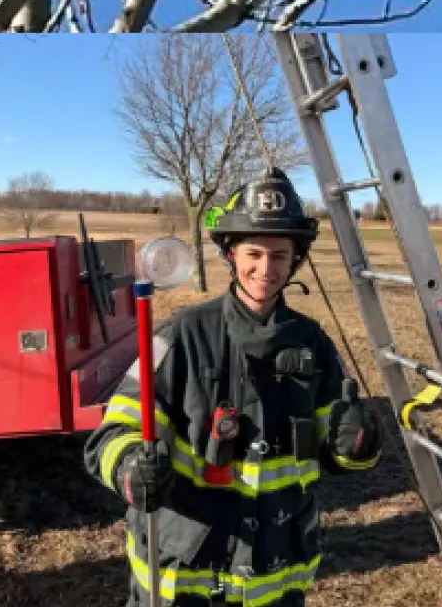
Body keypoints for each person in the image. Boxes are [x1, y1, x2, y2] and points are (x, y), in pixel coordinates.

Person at [83, 168, 384, 606]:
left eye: (280, 255)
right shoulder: (182, 335)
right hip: (184, 579)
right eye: (254, 253)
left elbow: (337, 446)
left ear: (295, 258)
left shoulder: (312, 343)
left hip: (274, 577)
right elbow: (112, 433)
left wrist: (356, 444)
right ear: (230, 254)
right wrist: (129, 466)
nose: (266, 269)